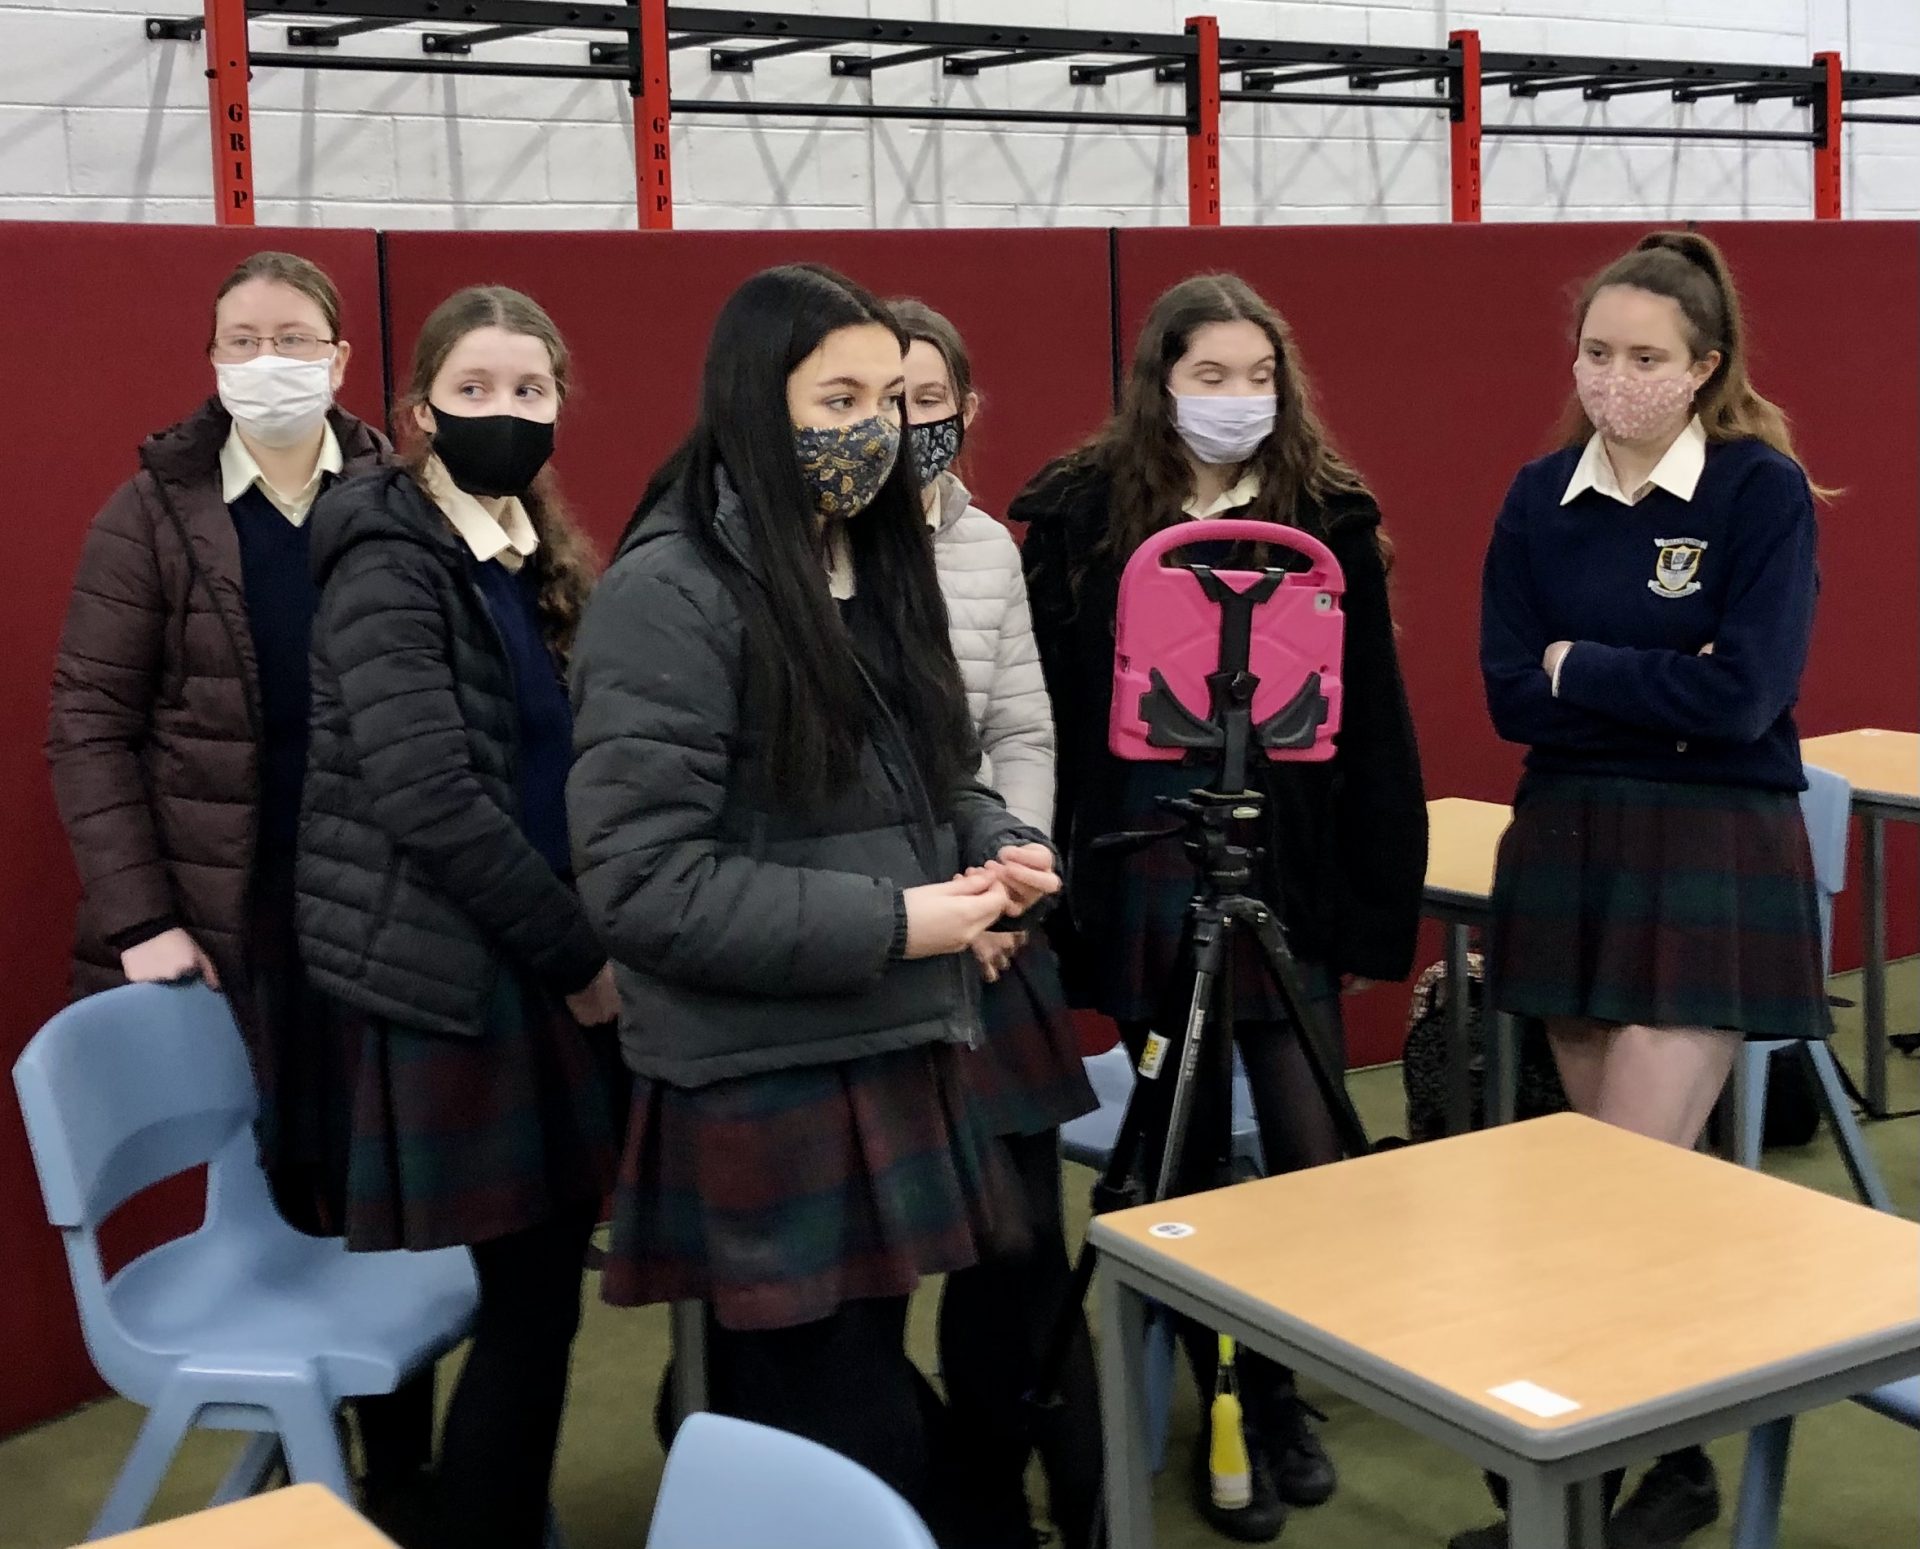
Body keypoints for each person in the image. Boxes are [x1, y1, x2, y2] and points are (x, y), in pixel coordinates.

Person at [568, 263, 1059, 1542]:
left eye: (890, 399)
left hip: (882, 1043)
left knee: (844, 1396)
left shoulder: (871, 565)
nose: (875, 429)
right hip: (763, 1073)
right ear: (754, 401)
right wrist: (901, 922)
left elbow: (939, 772)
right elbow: (642, 882)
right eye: (838, 400)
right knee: (838, 1425)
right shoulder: (670, 591)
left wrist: (997, 843)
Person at [1011, 272, 1427, 1544]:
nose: (1238, 398)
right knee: (1184, 1158)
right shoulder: (1077, 514)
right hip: (1146, 856)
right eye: (1210, 376)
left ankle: (1289, 1379)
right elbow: (1044, 711)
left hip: (1281, 868)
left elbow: (1377, 724)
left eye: (1259, 377)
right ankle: (1237, 1399)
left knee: (1308, 1149)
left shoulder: (1330, 515)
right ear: (1160, 382)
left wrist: (1375, 908)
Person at [43, 250, 433, 1510]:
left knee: (391, 1191)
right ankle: (308, 1479)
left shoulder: (398, 496)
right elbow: (88, 724)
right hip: (230, 924)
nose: (270, 360)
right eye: (244, 338)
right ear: (213, 358)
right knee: (280, 1184)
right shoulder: (153, 511)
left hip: (376, 916)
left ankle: (400, 1478)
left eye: (295, 337)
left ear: (341, 357)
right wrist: (142, 918)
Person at [1461, 231, 1830, 1549]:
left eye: (1646, 355)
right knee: (1618, 1191)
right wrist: (1630, 683)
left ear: (1705, 365)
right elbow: (1509, 693)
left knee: (1617, 1194)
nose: (1614, 375)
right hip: (1570, 841)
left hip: (1711, 846)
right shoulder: (1535, 496)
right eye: (1597, 351)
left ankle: (1584, 1489)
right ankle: (1668, 1458)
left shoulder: (1760, 492)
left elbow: (1745, 698)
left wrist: (1585, 666)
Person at [292, 285, 623, 1549]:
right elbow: (430, 795)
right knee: (530, 1306)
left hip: (518, 956)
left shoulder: (520, 547)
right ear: (420, 408)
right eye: (474, 388)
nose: (505, 410)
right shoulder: (389, 553)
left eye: (529, 389)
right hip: (460, 978)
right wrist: (579, 958)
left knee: (538, 1304)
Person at [893, 297, 1102, 1549]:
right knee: (874, 1265)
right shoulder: (806, 550)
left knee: (1018, 1242)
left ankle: (1046, 1491)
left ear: (966, 408)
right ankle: (947, 1498)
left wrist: (1014, 872)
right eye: (883, 400)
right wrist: (936, 907)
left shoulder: (987, 548)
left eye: (931, 399)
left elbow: (1022, 726)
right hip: (886, 940)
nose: (909, 423)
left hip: (998, 924)